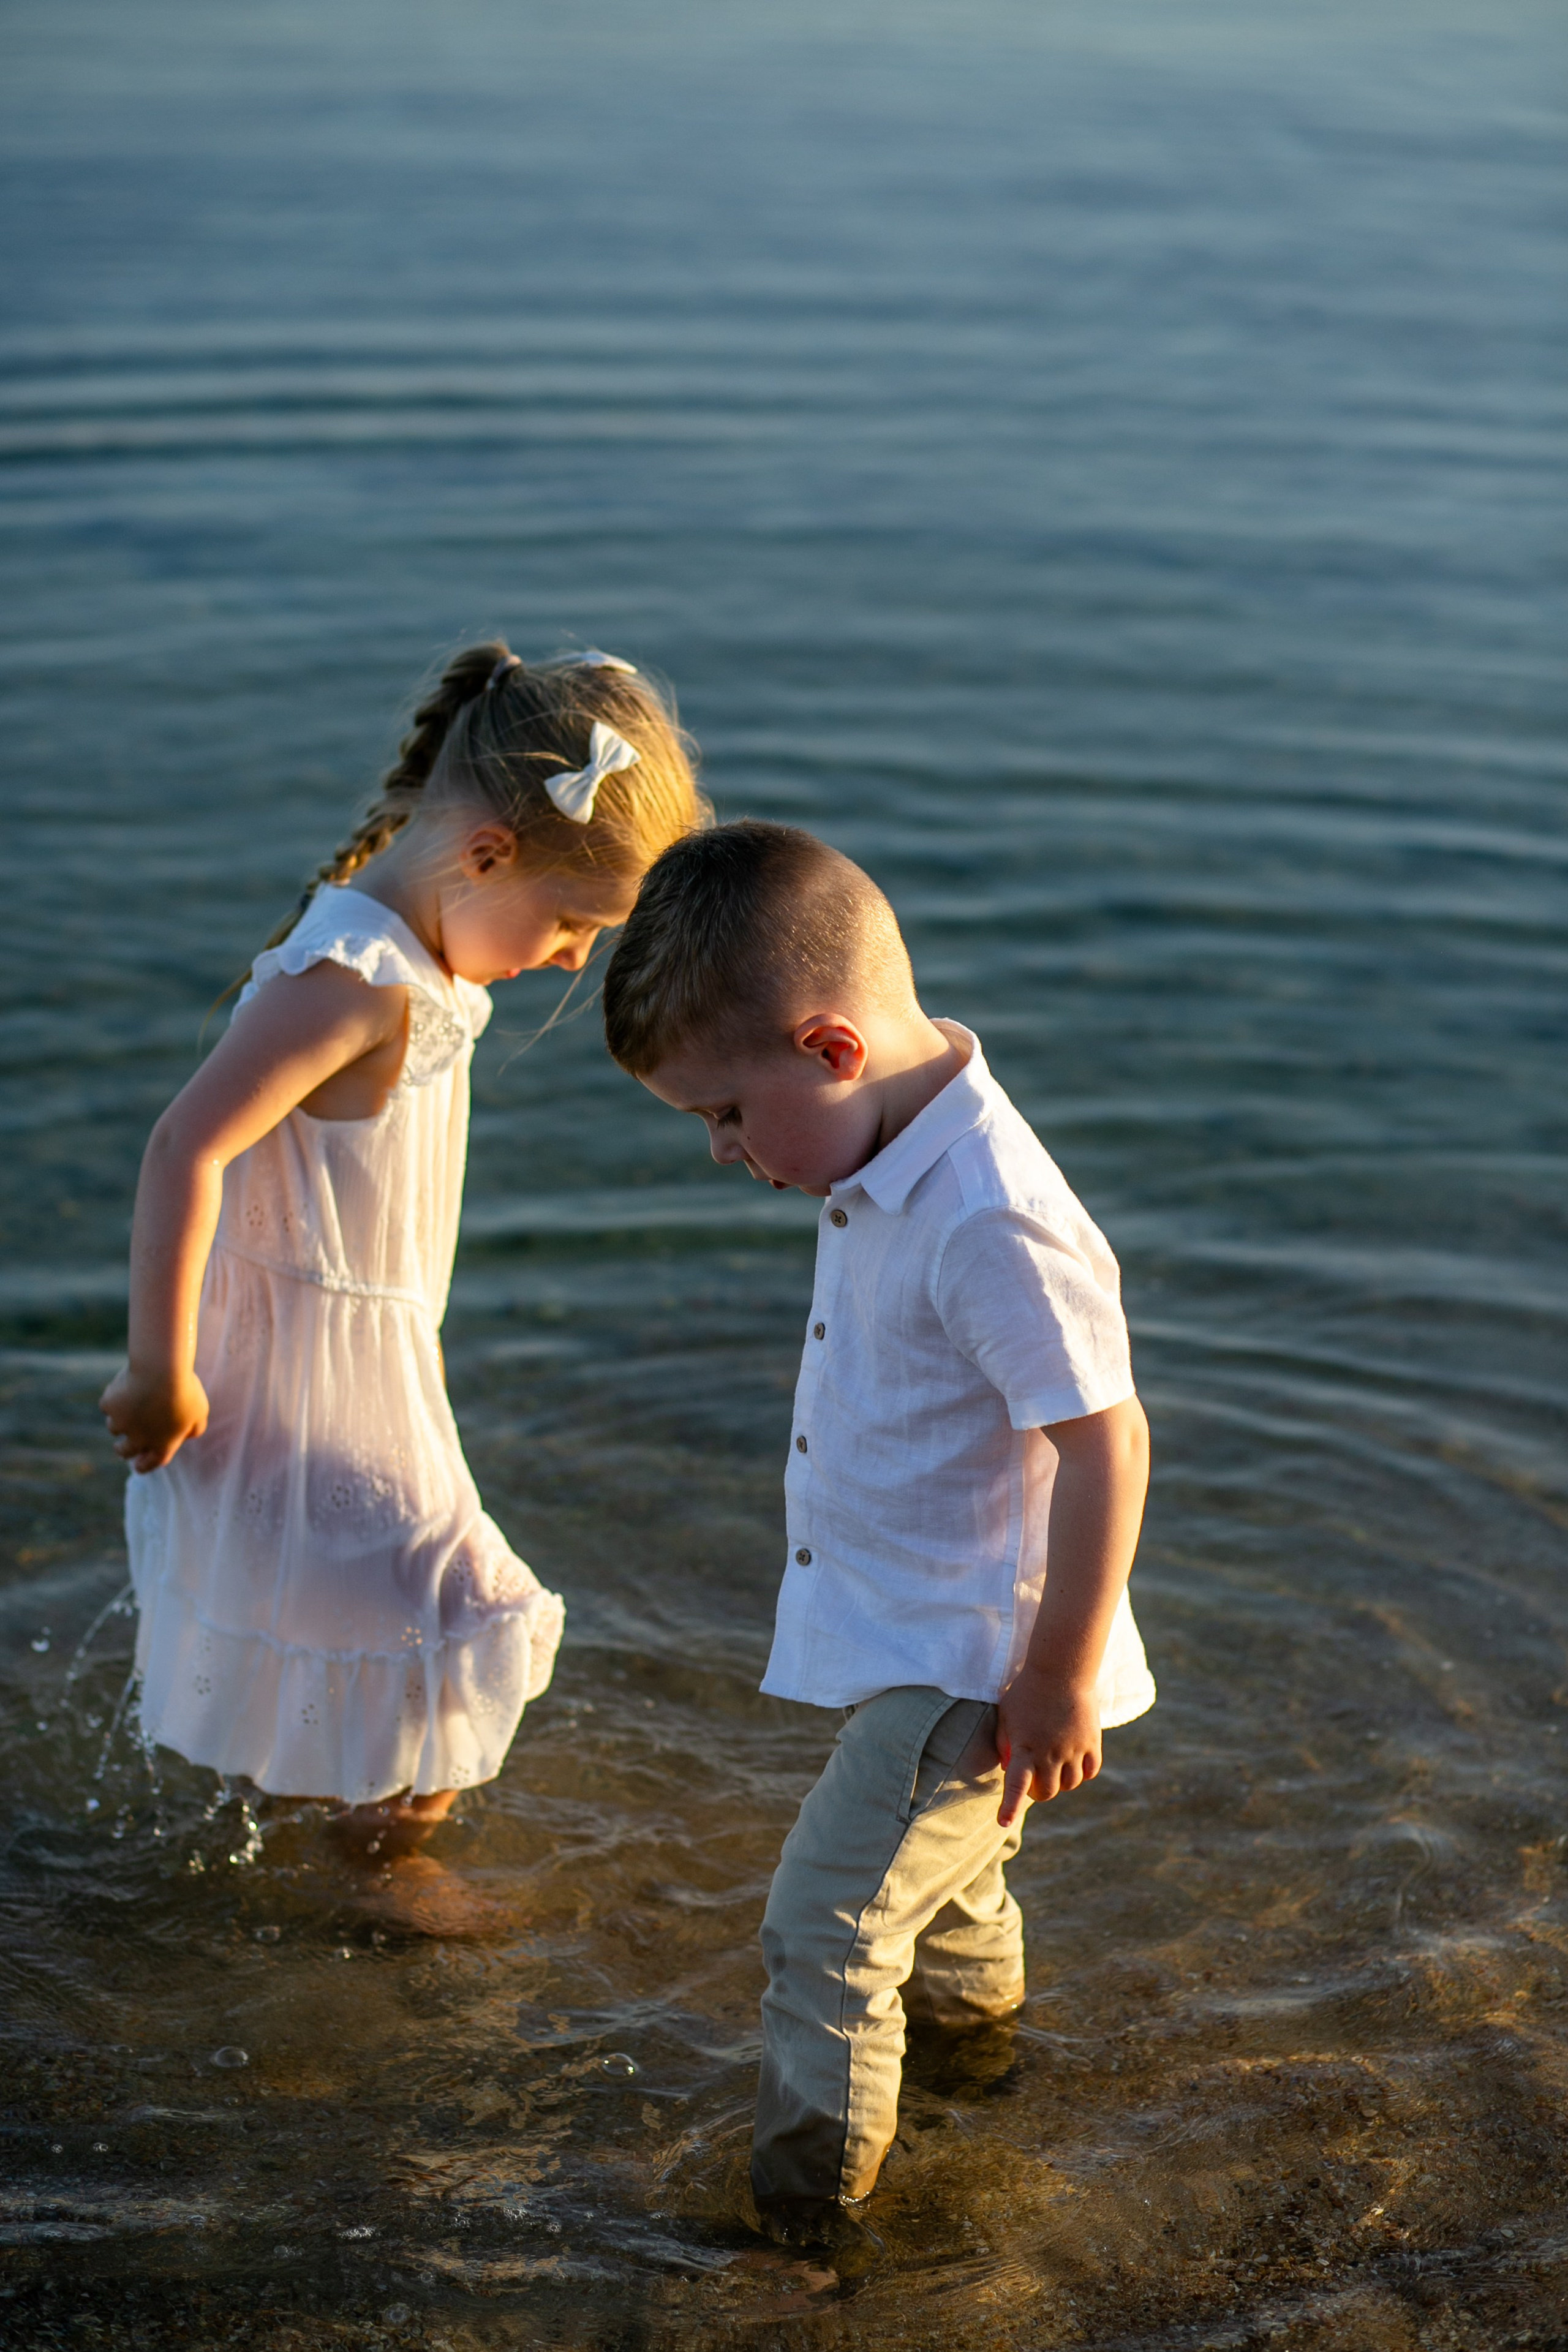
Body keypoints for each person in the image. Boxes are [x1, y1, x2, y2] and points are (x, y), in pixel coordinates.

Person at [602, 820, 1155, 2239]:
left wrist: (1054, 1675)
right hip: (931, 1626)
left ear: (832, 1048)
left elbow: (1106, 1438)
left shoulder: (986, 1217)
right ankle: (983, 2074)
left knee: (825, 1931)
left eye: (723, 1114)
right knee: (950, 1885)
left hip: (969, 1659)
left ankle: (806, 2227)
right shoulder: (885, 1144)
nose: (723, 1153)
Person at [100, 643, 705, 1849]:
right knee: (471, 1615)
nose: (574, 960)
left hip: (369, 1365)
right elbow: (185, 1148)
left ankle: (329, 1840)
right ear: (487, 854)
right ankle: (376, 1871)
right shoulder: (355, 980)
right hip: (298, 1382)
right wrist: (156, 1369)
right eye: (573, 925)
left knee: (380, 1626)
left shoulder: (421, 943)